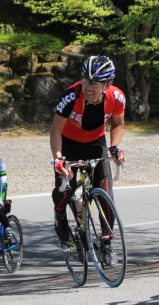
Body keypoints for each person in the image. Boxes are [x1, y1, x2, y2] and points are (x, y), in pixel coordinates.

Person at [50, 55, 126, 265]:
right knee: (66, 188)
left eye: (94, 82)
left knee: (106, 194)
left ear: (107, 84)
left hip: (96, 143)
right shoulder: (71, 96)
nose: (88, 86)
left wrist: (114, 147)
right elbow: (55, 130)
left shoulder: (117, 97)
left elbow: (118, 124)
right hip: (69, 144)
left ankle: (107, 243)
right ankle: (60, 215)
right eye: (85, 80)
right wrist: (58, 159)